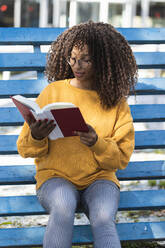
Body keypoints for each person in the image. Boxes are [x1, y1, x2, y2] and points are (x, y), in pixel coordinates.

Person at [17, 21, 137, 248]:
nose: (77, 65)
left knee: (103, 218)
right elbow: (24, 148)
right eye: (72, 58)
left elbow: (121, 157)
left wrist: (97, 143)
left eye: (85, 59)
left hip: (99, 179)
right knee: (62, 207)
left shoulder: (115, 102)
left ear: (102, 61)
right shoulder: (53, 91)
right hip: (55, 177)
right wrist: (37, 136)